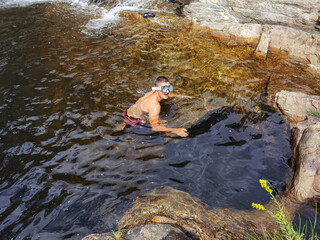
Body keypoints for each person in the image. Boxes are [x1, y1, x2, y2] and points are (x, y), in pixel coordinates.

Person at [119, 76, 189, 137]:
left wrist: (180, 96)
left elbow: (167, 94)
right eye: (164, 88)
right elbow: (155, 128)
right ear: (157, 89)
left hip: (127, 111)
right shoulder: (155, 106)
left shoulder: (153, 92)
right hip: (134, 120)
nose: (167, 91)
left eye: (169, 88)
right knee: (163, 123)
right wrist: (176, 130)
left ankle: (120, 126)